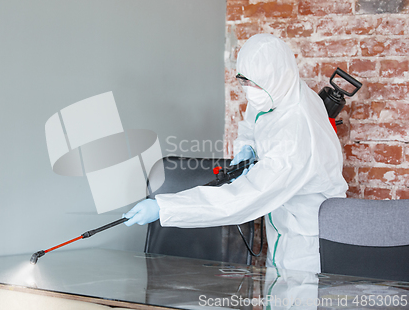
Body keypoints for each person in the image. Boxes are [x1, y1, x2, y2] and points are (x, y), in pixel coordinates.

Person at [123, 34, 347, 273]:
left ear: (278, 77)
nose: (250, 91)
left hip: (306, 242)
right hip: (283, 227)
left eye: (256, 84)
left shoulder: (296, 133)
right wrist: (247, 148)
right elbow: (252, 124)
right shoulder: (278, 91)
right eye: (245, 81)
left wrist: (165, 208)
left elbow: (241, 199)